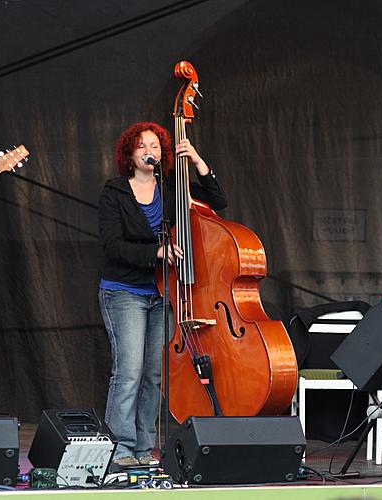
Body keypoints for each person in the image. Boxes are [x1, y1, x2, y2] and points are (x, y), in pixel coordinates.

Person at [97, 121, 227, 468]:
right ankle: (120, 448)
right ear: (129, 154)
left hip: (163, 293)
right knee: (129, 371)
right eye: (141, 146)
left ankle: (143, 449)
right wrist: (154, 254)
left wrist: (198, 161)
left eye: (154, 146)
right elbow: (112, 246)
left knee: (155, 374)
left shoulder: (172, 190)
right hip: (124, 291)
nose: (148, 152)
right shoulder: (115, 192)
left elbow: (218, 202)